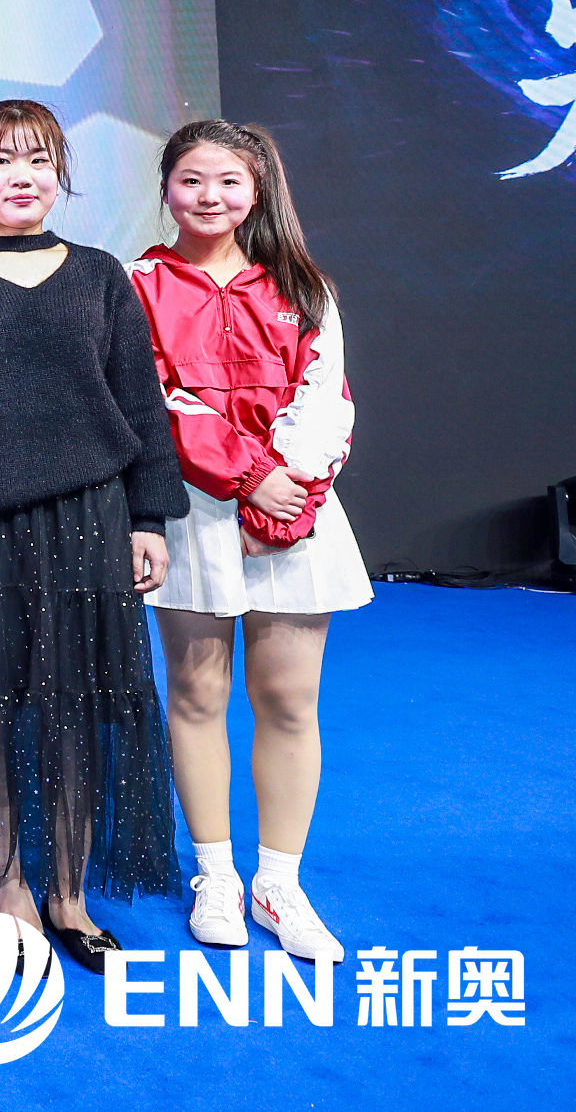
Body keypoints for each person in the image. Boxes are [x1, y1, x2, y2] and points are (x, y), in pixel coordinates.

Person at [0, 99, 184, 973]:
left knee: (78, 706)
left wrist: (148, 517)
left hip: (91, 517)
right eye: (1, 160)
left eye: (38, 160)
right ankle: (10, 887)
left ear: (62, 174)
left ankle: (69, 894)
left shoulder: (100, 275)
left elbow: (140, 401)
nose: (22, 177)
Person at [129, 119, 365, 964]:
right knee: (197, 695)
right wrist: (246, 479)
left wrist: (285, 499)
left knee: (290, 701)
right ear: (167, 189)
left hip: (297, 515)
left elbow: (325, 400)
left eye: (229, 181)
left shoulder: (303, 288)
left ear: (256, 190)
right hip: (191, 516)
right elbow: (152, 400)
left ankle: (279, 883)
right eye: (192, 180)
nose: (210, 197)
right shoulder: (135, 286)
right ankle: (216, 876)